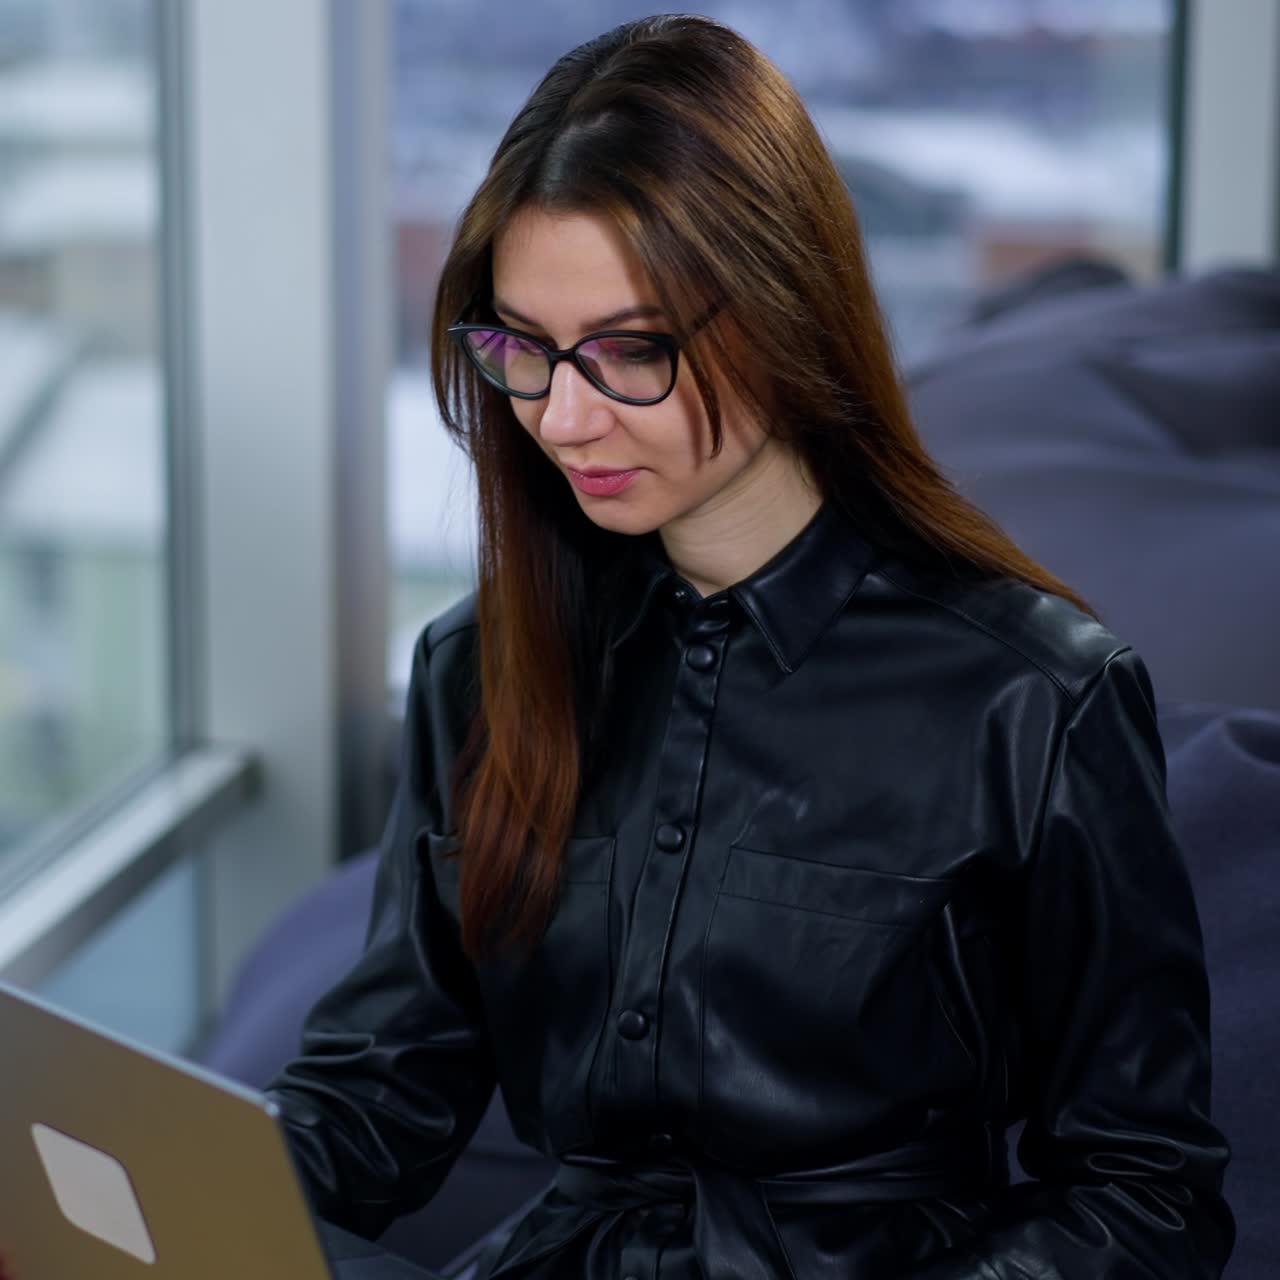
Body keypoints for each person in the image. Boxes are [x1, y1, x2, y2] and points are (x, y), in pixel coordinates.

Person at [265, 14, 1234, 1279]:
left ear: (781, 315)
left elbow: (1145, 1195)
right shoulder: (483, 667)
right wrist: (166, 1193)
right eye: (520, 348)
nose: (559, 417)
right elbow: (387, 1079)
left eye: (628, 351)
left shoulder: (1034, 697)